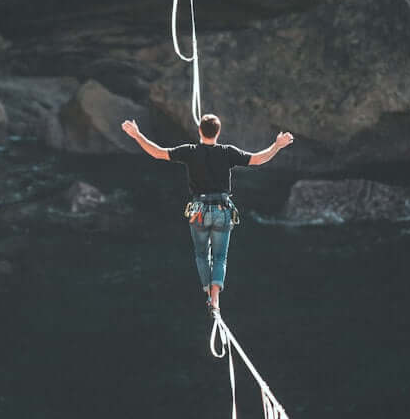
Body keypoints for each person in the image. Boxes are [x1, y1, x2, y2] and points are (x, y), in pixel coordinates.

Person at [121, 114, 294, 315]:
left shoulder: (190, 151)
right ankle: (215, 299)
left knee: (202, 255)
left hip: (198, 210)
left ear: (199, 131)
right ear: (218, 132)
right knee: (220, 258)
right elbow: (257, 159)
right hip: (222, 209)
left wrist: (137, 135)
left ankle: (207, 292)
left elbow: (158, 153)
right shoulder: (227, 152)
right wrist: (277, 146)